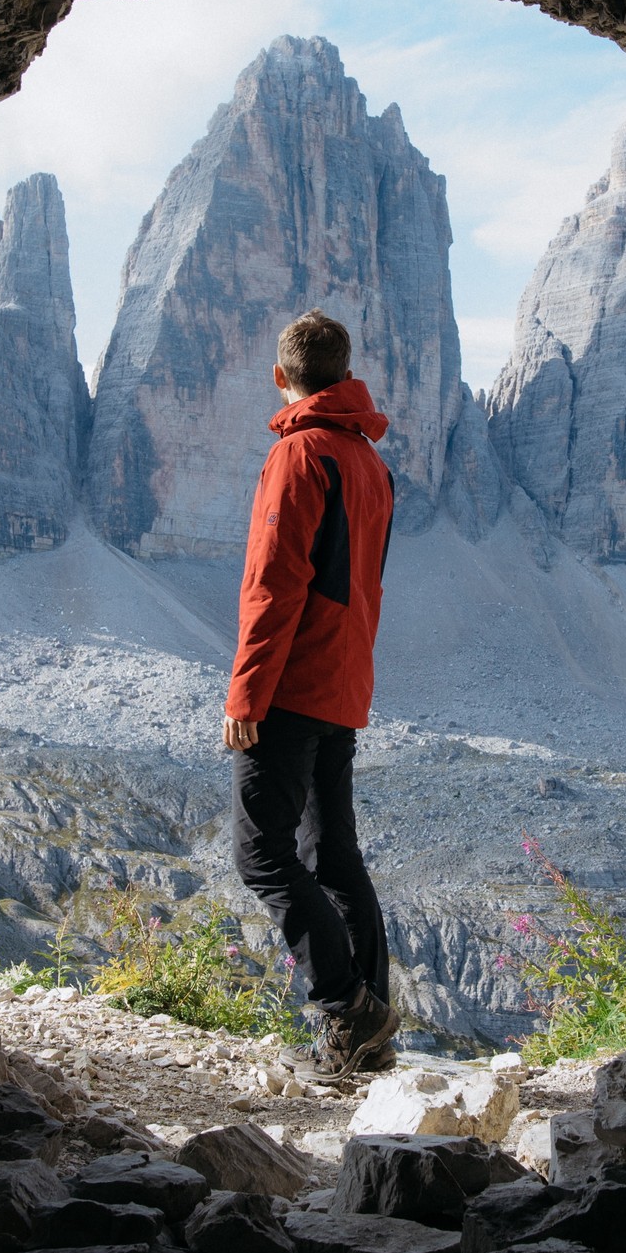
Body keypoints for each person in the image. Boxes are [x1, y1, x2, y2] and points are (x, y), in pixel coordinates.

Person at [223, 309, 400, 1076]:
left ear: (280, 375)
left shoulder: (300, 455)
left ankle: (348, 1007)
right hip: (345, 680)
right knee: (334, 858)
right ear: (347, 370)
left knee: (262, 855)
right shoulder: (369, 461)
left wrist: (246, 696)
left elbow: (274, 585)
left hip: (293, 685)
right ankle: (370, 1036)